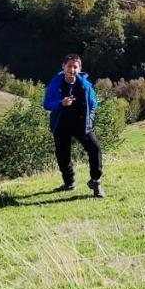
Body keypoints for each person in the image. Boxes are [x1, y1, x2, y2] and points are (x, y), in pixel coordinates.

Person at [42, 54, 104, 197]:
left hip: (82, 124)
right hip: (61, 125)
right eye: (69, 66)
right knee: (63, 155)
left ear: (79, 68)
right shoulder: (55, 84)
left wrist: (91, 118)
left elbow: (94, 104)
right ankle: (69, 183)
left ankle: (96, 182)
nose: (72, 69)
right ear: (63, 67)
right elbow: (46, 104)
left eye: (75, 67)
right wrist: (60, 104)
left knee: (95, 149)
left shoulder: (85, 85)